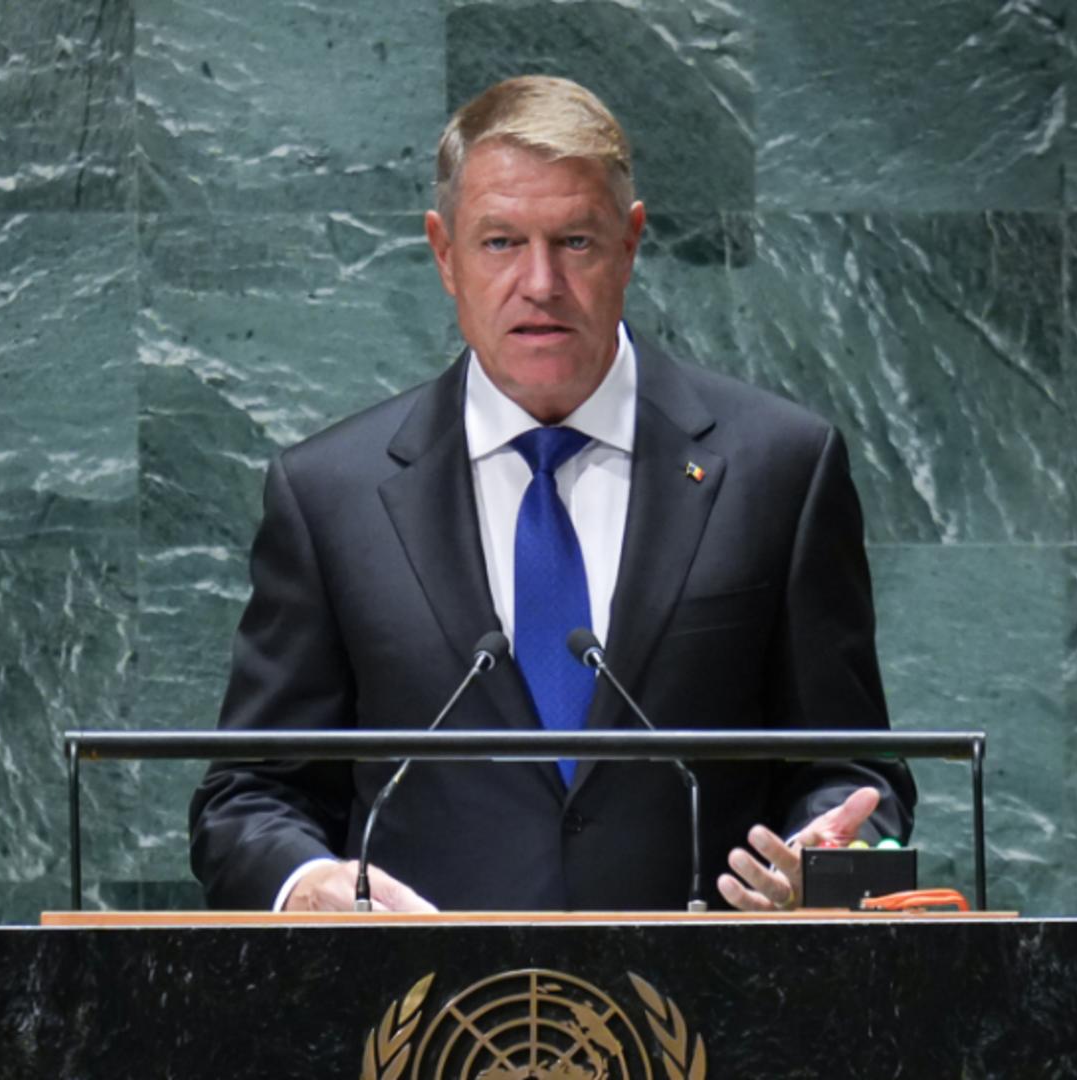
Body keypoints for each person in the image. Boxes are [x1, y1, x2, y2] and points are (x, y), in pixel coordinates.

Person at [188, 75, 914, 913]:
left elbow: (853, 772)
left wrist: (825, 864)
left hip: (710, 987)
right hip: (427, 993)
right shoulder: (331, 496)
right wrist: (304, 883)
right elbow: (249, 794)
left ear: (630, 244)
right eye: (501, 242)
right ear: (444, 253)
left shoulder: (778, 468)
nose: (540, 282)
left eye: (575, 241)